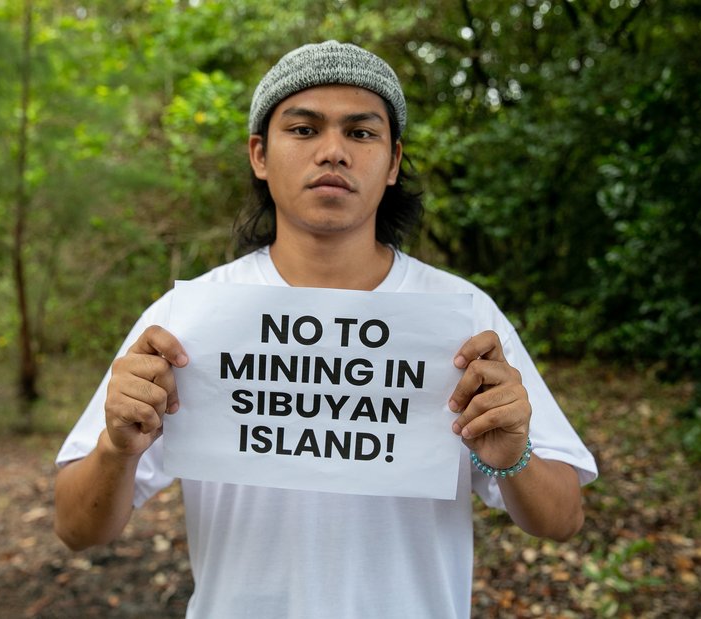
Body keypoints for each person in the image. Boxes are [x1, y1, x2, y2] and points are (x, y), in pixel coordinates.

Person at [54, 40, 597, 618]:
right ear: (260, 155)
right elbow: (76, 527)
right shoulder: (188, 318)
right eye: (304, 129)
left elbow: (562, 520)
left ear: (392, 163)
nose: (333, 152)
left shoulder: (464, 316)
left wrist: (512, 456)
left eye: (361, 133)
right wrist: (117, 448)